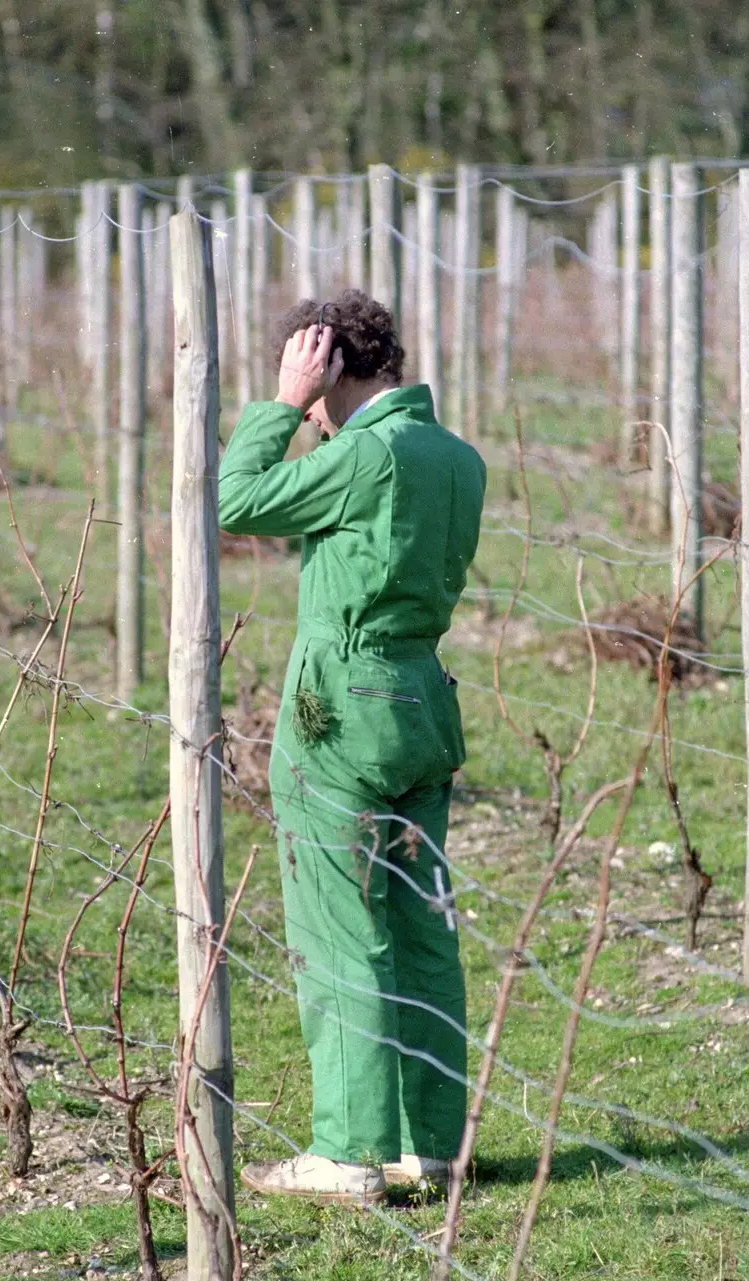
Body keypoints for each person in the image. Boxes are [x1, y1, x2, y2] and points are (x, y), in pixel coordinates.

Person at [218, 290, 486, 1204]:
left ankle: (346, 1151)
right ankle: (433, 1144)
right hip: (423, 701)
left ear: (328, 363)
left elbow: (237, 499)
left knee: (342, 930)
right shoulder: (455, 456)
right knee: (422, 930)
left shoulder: (363, 454)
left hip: (342, 710)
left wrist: (284, 406)